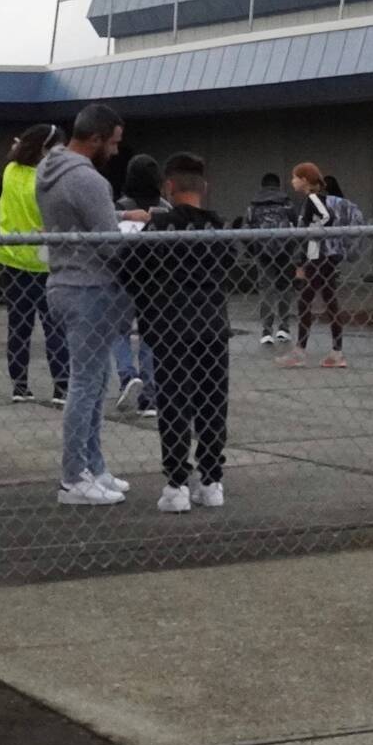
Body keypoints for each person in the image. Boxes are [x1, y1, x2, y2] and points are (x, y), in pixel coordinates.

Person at [38, 103, 149, 506]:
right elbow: (107, 240)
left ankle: (93, 467)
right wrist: (135, 233)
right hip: (90, 287)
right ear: (98, 138)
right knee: (87, 384)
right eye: (114, 143)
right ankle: (73, 477)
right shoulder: (88, 179)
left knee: (94, 381)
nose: (117, 152)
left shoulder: (50, 170)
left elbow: (83, 221)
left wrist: (120, 214)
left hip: (63, 280)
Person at [119, 152, 233, 513]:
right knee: (212, 403)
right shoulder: (218, 228)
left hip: (170, 327)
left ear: (169, 186)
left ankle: (176, 483)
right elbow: (229, 268)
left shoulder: (161, 229)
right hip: (213, 326)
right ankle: (212, 480)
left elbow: (130, 271)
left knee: (175, 406)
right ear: (205, 187)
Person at [0, 124, 69, 405]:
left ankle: (19, 385)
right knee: (55, 327)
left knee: (18, 327)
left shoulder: (10, 172)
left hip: (12, 258)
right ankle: (61, 386)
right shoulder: (47, 178)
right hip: (45, 260)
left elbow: (15, 156)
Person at [278, 162, 350, 369]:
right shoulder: (315, 199)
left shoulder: (312, 199)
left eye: (295, 177)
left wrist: (314, 231)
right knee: (329, 301)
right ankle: (336, 352)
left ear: (305, 180)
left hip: (318, 257)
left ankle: (300, 351)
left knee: (305, 301)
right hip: (321, 256)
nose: (292, 181)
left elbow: (327, 216)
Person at [112, 154, 166, 415]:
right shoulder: (164, 209)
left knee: (118, 330)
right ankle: (150, 395)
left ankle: (127, 375)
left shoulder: (121, 207)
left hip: (123, 276)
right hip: (156, 280)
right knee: (150, 336)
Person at [243, 171, 299, 346]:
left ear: (262, 185)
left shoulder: (253, 205)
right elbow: (298, 225)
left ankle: (266, 331)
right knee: (284, 287)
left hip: (262, 252)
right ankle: (284, 328)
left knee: (266, 288)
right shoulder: (287, 203)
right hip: (285, 251)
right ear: (278, 185)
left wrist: (253, 250)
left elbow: (245, 230)